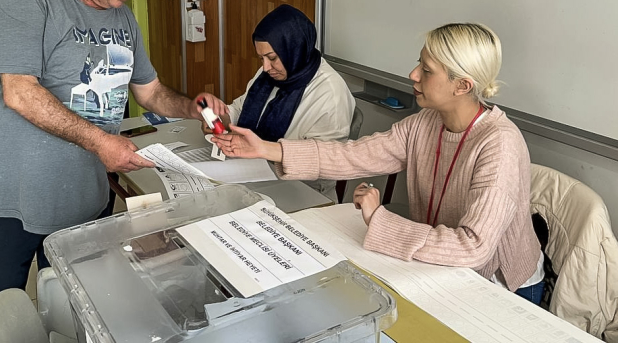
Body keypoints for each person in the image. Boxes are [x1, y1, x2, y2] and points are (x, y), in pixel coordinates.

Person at [0, 0, 225, 342]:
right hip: (9, 200)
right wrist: (101, 141)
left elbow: (151, 92)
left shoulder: (121, 17)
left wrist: (191, 108)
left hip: (85, 201)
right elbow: (20, 92)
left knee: (74, 315)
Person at [213, 23, 545, 303]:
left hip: (500, 282)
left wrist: (380, 221)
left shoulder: (499, 144)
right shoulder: (425, 123)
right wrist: (268, 150)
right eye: (419, 62)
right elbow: (353, 155)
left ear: (463, 85)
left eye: (427, 71)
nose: (413, 74)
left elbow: (473, 248)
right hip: (442, 266)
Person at [220, 4, 355, 200]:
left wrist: (264, 152)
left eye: (272, 58)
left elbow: (322, 165)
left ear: (294, 49)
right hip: (256, 176)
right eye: (261, 58)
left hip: (304, 192)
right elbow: (240, 109)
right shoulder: (271, 75)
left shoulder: (329, 94)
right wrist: (219, 116)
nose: (266, 67)